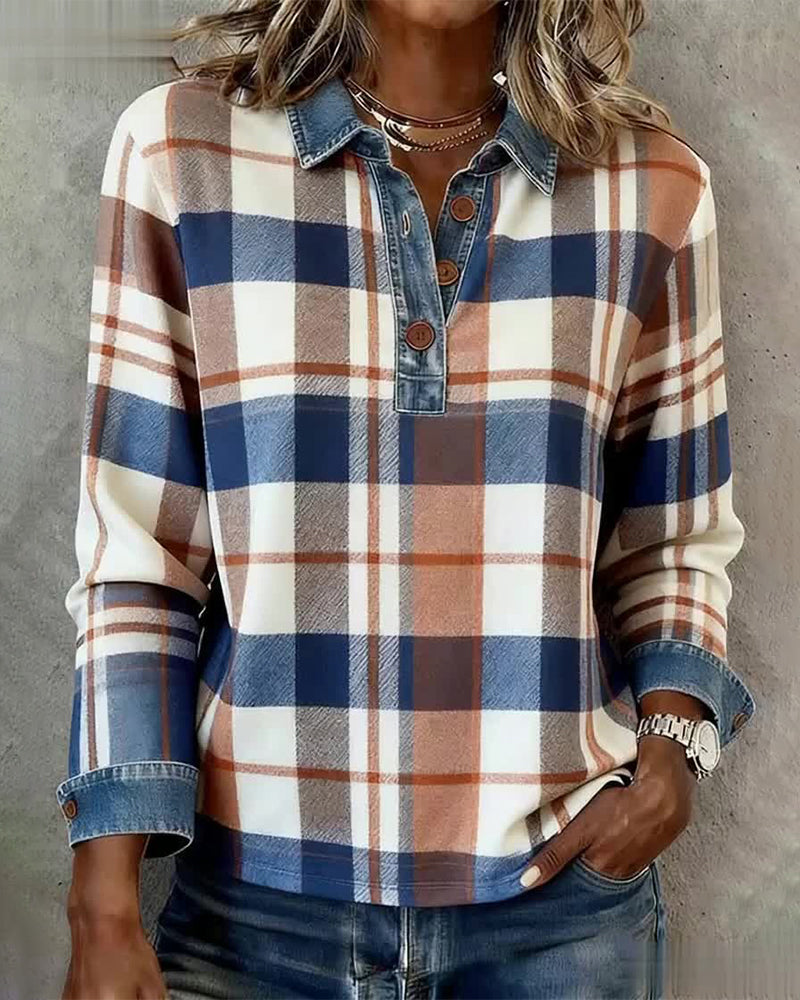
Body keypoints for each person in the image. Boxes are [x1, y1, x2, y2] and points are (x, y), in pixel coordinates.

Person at [56, 1, 756, 997]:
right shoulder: (182, 153)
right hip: (255, 913)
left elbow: (672, 540)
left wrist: (670, 758)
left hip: (559, 917)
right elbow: (140, 553)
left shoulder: (650, 188)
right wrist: (102, 897)